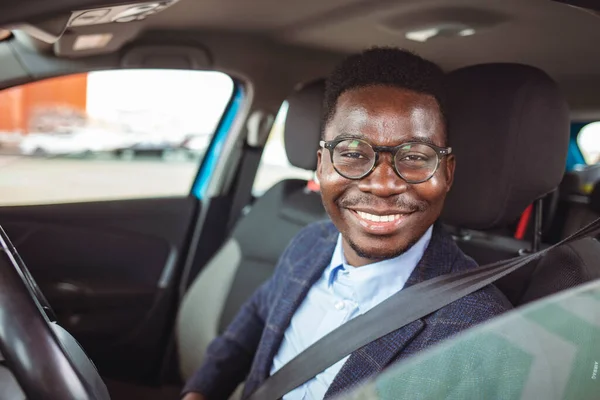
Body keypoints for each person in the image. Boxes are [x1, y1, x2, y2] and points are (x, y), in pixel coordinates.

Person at [182, 47, 512, 400]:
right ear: (322, 165)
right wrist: (201, 391)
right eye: (353, 153)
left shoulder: (480, 333)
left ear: (446, 173)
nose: (383, 185)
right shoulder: (308, 243)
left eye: (415, 157)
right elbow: (253, 323)